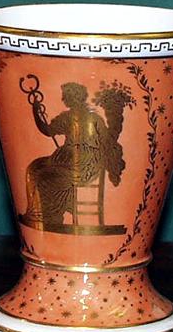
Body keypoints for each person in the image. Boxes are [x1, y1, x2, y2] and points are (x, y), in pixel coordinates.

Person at [21, 82, 124, 229]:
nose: (63, 99)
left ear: (73, 97)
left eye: (65, 96)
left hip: (83, 166)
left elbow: (106, 141)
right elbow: (48, 131)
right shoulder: (69, 117)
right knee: (34, 167)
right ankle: (37, 215)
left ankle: (50, 217)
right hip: (69, 160)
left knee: (43, 176)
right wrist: (36, 111)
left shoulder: (93, 119)